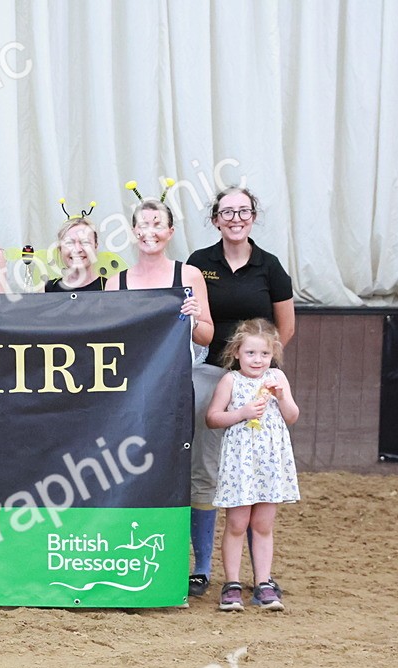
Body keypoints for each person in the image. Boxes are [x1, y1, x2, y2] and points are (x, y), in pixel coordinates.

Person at [186, 187, 295, 599]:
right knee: (206, 466)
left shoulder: (271, 267)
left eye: (243, 211)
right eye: (227, 211)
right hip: (211, 372)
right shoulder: (200, 263)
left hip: (256, 379)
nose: (235, 218)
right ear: (216, 218)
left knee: (258, 471)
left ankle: (260, 577)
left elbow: (285, 328)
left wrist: (261, 366)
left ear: (253, 217)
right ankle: (203, 568)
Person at [205, 318, 299, 612]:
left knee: (263, 524)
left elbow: (292, 416)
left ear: (273, 355)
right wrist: (242, 413)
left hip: (270, 462)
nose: (257, 360)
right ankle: (232, 584)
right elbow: (213, 417)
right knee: (236, 523)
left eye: (264, 354)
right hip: (240, 462)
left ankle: (263, 583)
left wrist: (282, 397)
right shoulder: (231, 381)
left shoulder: (277, 379)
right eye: (250, 353)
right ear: (236, 353)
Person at [104, 197, 214, 349]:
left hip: (175, 370)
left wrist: (193, 321)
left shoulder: (190, 275)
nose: (150, 232)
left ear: (170, 232)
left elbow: (206, 337)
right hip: (129, 370)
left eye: (158, 225)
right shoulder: (114, 283)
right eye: (143, 225)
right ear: (134, 232)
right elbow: (108, 337)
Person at [45, 217, 106, 292]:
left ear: (95, 247)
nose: (77, 249)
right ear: (60, 249)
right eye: (69, 243)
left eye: (85, 242)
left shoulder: (110, 288)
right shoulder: (46, 291)